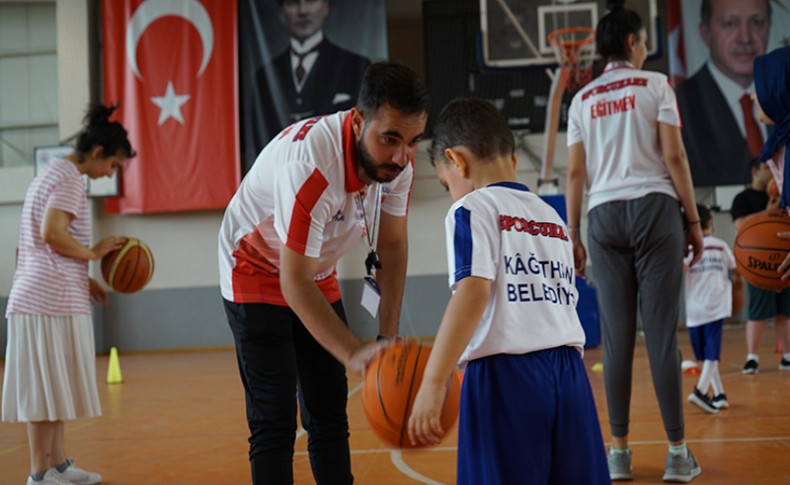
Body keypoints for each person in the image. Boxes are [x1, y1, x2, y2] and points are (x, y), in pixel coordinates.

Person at [219, 61, 429, 484]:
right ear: (356, 122)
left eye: (412, 141)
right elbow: (292, 282)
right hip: (255, 267)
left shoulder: (399, 166)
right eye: (389, 138)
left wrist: (386, 339)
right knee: (275, 415)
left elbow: (391, 244)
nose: (401, 156)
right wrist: (352, 352)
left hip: (314, 268)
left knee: (329, 408)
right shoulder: (311, 167)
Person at [406, 97, 610, 484]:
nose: (452, 192)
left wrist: (434, 380)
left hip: (505, 378)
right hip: (569, 376)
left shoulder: (472, 208)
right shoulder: (550, 216)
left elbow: (472, 291)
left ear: (457, 161)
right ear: (513, 160)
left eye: (447, 183)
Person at [564, 0, 705, 481]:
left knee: (617, 340)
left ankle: (618, 455)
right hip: (654, 210)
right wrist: (694, 221)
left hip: (602, 217)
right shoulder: (656, 84)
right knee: (662, 338)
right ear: (631, 43)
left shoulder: (582, 100)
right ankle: (677, 454)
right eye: (644, 41)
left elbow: (576, 171)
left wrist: (573, 232)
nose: (646, 49)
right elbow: (676, 157)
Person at [2, 104, 134, 485]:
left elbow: (47, 242)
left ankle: (57, 465)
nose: (110, 173)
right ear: (97, 153)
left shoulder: (55, 172)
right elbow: (51, 233)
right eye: (112, 165)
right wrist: (94, 254)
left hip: (49, 294)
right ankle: (39, 474)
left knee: (53, 385)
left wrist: (85, 278)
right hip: (44, 300)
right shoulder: (71, 179)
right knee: (44, 390)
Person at [676, 0, 772, 187]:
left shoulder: (782, 93)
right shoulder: (679, 104)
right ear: (705, 32)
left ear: (768, 26)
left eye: (756, 22)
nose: (745, 38)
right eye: (730, 23)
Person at [253, 0, 371, 149]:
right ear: (281, 14)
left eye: (311, 1)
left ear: (326, 7)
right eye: (292, 3)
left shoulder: (357, 66)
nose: (303, 11)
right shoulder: (263, 77)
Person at [730, 158, 790, 374]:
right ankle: (752, 357)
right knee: (758, 313)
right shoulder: (743, 198)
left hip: (784, 260)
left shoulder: (784, 193)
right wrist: (768, 213)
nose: (772, 171)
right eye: (767, 167)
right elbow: (739, 225)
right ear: (755, 171)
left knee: (785, 313)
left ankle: (787, 356)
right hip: (758, 262)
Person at [684, 203, 740, 413]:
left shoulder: (687, 249)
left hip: (696, 307)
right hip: (715, 305)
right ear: (710, 223)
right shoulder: (721, 245)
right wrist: (737, 291)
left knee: (708, 355)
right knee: (708, 356)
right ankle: (718, 394)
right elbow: (736, 271)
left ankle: (700, 391)